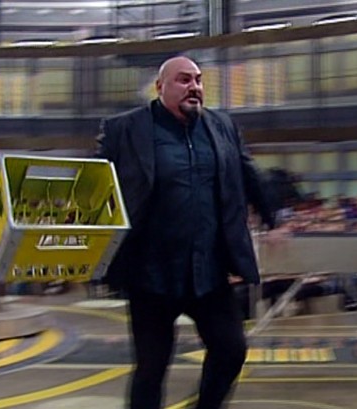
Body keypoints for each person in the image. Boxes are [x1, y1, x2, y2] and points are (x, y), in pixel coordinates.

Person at [95, 56, 278, 409]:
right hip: (151, 275)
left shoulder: (222, 126)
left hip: (208, 272)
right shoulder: (125, 129)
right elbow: (95, 183)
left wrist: (275, 218)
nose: (194, 87)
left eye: (198, 80)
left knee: (231, 350)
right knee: (151, 369)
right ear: (160, 87)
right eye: (183, 80)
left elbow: (249, 173)